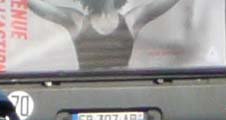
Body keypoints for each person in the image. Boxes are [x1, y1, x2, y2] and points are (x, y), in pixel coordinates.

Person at [25, 0, 186, 71]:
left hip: (123, 92)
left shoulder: (131, 21)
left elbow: (165, 2)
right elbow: (39, 7)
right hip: (86, 93)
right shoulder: (77, 22)